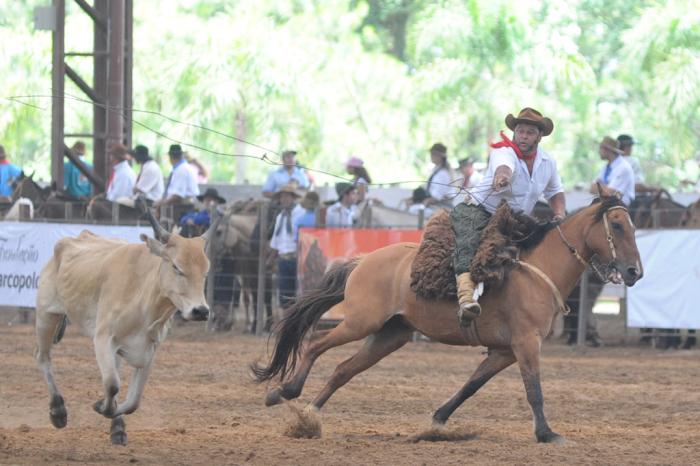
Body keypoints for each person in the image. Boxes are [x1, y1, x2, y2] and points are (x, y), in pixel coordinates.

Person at [452, 107, 566, 326]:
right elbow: (504, 168)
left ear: (539, 136)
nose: (523, 136)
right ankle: (466, 298)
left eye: (529, 132)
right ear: (514, 133)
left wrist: (559, 213)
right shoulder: (503, 152)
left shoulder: (547, 162)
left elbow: (555, 191)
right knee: (468, 243)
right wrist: (502, 178)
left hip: (515, 219)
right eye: (520, 131)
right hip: (480, 210)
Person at [268, 185, 305, 309]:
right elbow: (276, 240)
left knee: (298, 293)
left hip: (297, 259)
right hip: (283, 259)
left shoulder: (301, 213)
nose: (284, 199)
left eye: (287, 196)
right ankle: (287, 323)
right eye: (282, 197)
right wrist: (270, 259)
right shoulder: (280, 217)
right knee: (284, 294)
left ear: (293, 198)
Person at [591, 136, 635, 206]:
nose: (599, 151)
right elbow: (592, 188)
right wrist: (604, 188)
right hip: (609, 204)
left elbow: (609, 193)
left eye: (601, 148)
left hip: (621, 207)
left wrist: (600, 187)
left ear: (608, 150)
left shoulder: (623, 168)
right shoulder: (606, 167)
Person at [424, 143, 455, 208]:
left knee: (415, 209)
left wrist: (422, 201)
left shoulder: (444, 173)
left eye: (433, 154)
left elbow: (437, 197)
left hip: (442, 207)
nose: (431, 156)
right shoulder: (436, 170)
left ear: (440, 156)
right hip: (434, 205)